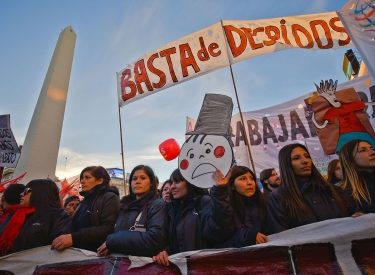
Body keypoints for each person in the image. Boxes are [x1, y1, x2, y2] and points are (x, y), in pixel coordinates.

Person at [267, 143, 355, 234]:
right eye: (296, 158)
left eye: (307, 156)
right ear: (286, 164)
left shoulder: (335, 190)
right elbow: (282, 234)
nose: (305, 161)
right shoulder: (278, 198)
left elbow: (355, 217)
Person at [153, 168, 226, 266]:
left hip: (203, 268)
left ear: (190, 182)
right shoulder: (172, 210)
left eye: (177, 182)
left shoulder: (204, 202)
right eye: (172, 182)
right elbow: (173, 240)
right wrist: (166, 251)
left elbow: (218, 231)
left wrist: (220, 193)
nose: (172, 187)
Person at [97, 165, 167, 257]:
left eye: (143, 178)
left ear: (151, 183)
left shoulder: (157, 206)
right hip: (119, 265)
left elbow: (154, 240)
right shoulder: (124, 207)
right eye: (134, 179)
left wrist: (113, 241)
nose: (137, 182)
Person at [51, 166, 120, 252]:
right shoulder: (84, 201)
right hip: (78, 252)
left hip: (96, 255)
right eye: (82, 178)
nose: (82, 181)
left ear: (100, 181)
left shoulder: (110, 197)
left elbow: (109, 228)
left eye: (87, 177)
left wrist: (74, 238)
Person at [0, 179, 72, 256]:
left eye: (26, 190)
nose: (21, 194)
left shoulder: (58, 216)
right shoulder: (14, 215)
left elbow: (60, 247)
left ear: (41, 193)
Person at [211, 166, 268, 248]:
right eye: (242, 179)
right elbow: (220, 240)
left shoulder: (265, 202)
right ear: (232, 185)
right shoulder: (225, 207)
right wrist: (247, 236)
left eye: (252, 178)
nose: (250, 182)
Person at [338, 140, 375, 213]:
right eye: (363, 150)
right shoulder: (342, 192)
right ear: (349, 158)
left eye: (373, 149)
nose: (373, 153)